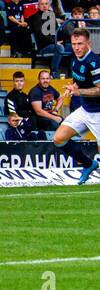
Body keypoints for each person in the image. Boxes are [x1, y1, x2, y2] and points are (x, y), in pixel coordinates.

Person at [55, 29, 100, 184]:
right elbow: (79, 82)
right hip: (85, 110)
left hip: (98, 113)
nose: (76, 47)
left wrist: (78, 92)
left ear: (88, 43)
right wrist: (71, 88)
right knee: (59, 139)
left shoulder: (95, 62)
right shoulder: (75, 60)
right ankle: (89, 164)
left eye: (80, 44)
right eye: (74, 44)